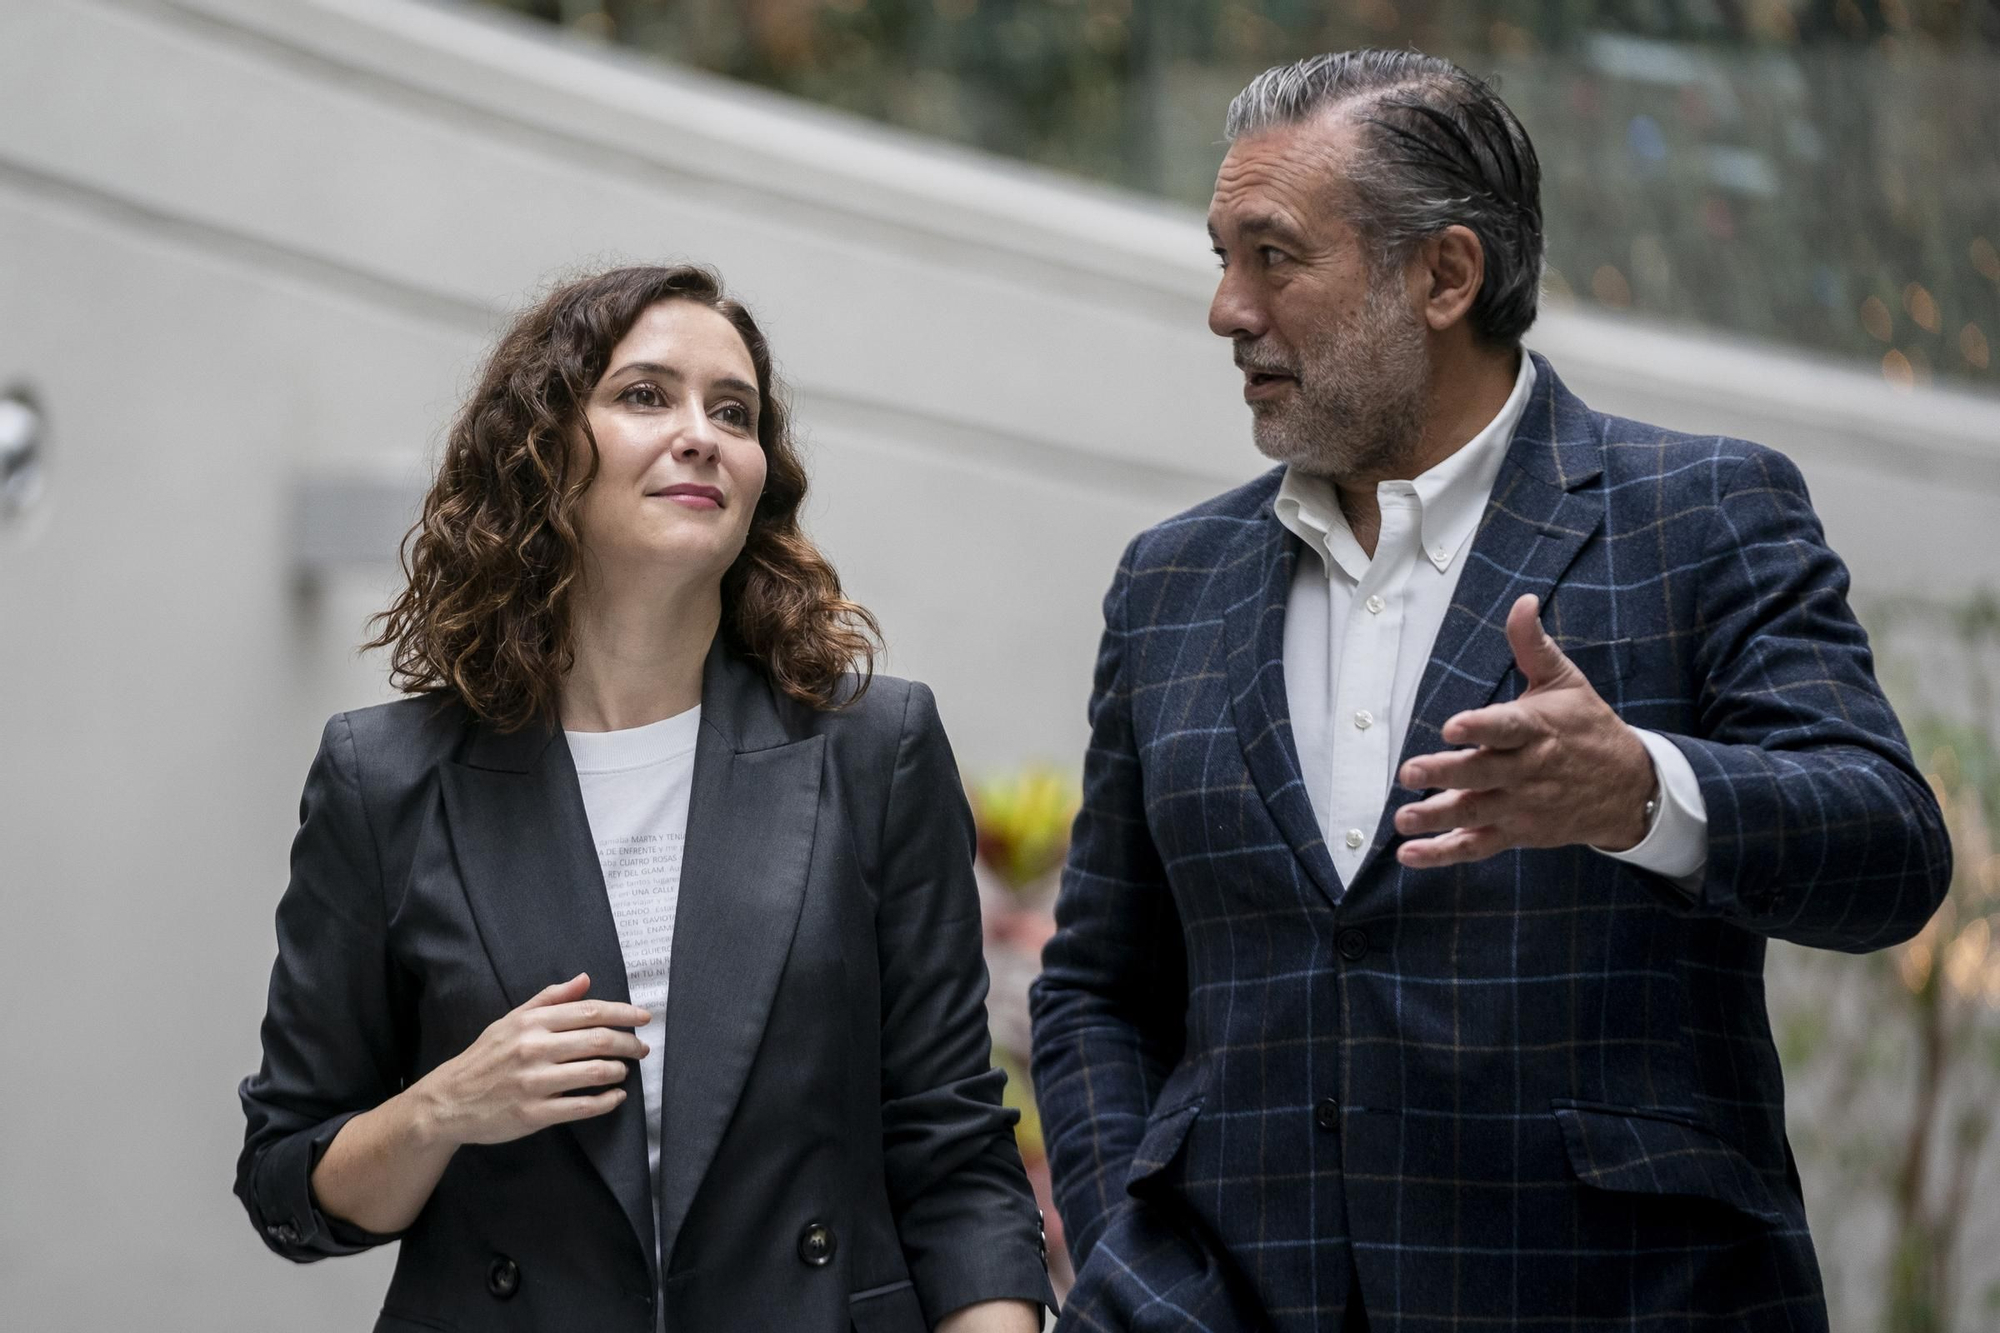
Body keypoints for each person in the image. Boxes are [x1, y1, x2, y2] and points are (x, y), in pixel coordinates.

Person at [1030, 51, 1951, 1332]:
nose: (1225, 310)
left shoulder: (1698, 513)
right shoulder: (1168, 581)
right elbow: (1095, 988)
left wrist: (1641, 791)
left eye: (1272, 255)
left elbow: (1891, 849)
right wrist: (1131, 1260)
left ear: (1444, 274)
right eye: (1218, 257)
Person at [237, 264, 1052, 1333]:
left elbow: (956, 1159)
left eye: (733, 411)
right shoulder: (385, 776)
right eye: (643, 396)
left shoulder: (871, 750)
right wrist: (447, 1106)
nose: (700, 433)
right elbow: (289, 1180)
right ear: (541, 453)